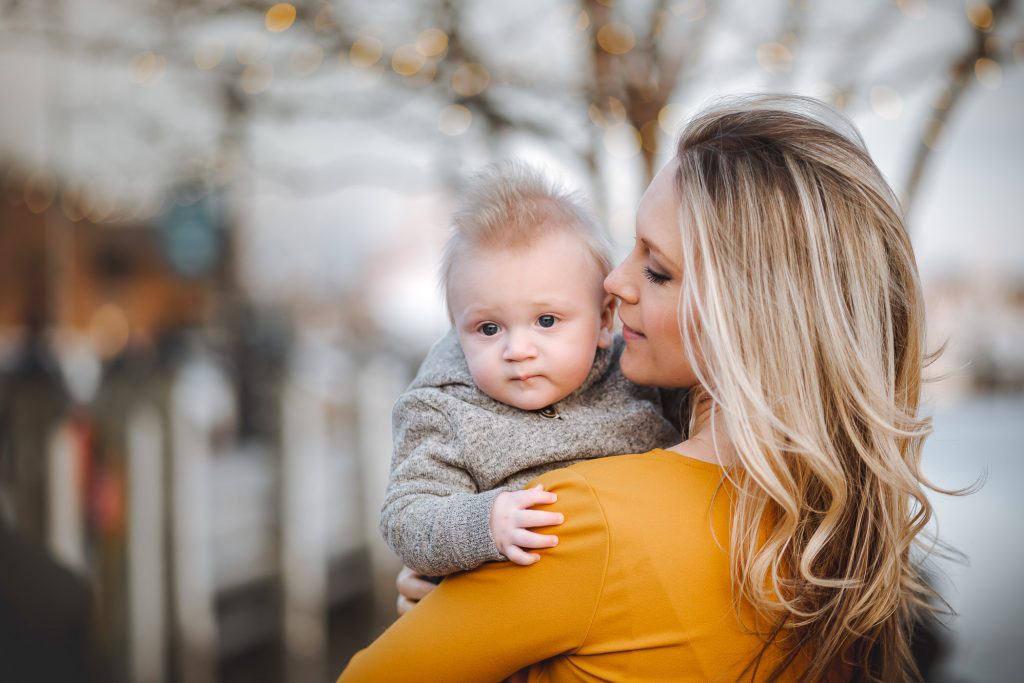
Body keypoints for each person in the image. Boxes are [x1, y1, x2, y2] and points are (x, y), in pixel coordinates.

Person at [340, 95, 943, 682]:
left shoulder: (574, 523)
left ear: (750, 314)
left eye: (657, 271)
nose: (613, 281)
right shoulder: (835, 530)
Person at [381, 161, 681, 579]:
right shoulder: (445, 409)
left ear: (603, 320)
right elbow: (405, 516)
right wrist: (483, 524)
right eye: (489, 328)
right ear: (456, 329)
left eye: (546, 321)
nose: (517, 350)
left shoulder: (637, 376)